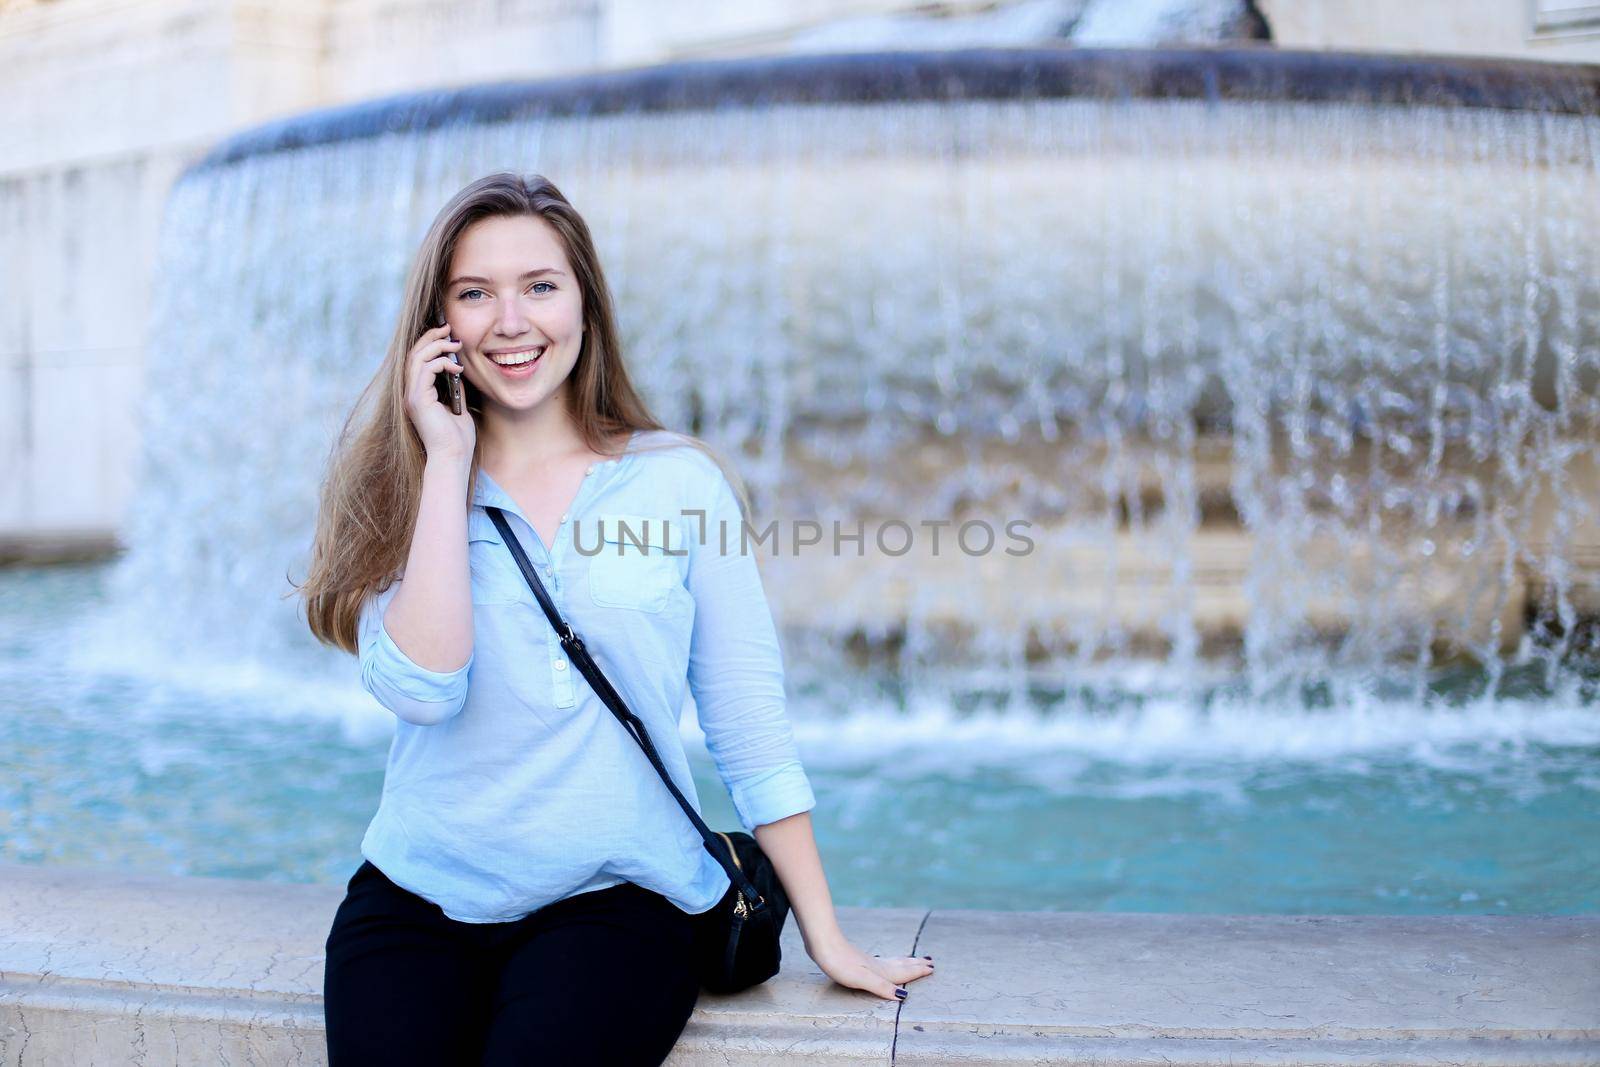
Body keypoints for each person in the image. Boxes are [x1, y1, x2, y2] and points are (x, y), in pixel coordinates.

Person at [297, 172, 934, 1065]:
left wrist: (824, 934)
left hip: (616, 899)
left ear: (585, 305)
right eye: (475, 293)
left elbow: (746, 718)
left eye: (541, 287)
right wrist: (447, 463)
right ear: (437, 327)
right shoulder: (402, 490)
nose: (511, 321)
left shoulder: (680, 483)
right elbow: (425, 689)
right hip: (417, 897)